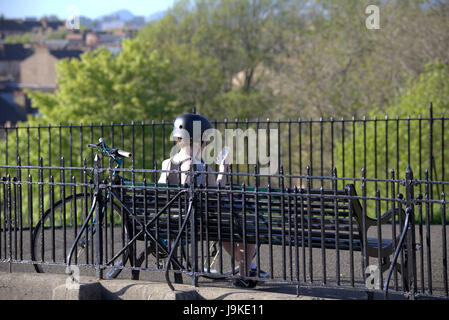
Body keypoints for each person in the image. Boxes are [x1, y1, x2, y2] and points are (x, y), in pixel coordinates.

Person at [158, 113, 262, 288]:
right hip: (200, 224)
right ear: (201, 142)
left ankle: (250, 267)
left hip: (173, 221)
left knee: (225, 232)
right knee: (249, 231)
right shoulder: (200, 167)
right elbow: (218, 193)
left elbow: (161, 193)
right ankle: (245, 275)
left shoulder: (166, 163)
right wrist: (223, 168)